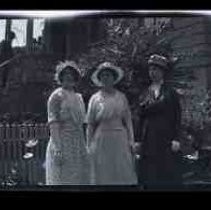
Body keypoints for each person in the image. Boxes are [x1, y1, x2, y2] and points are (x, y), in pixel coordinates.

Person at [135, 54, 182, 189]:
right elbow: (140, 117)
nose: (153, 73)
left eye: (156, 69)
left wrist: (176, 138)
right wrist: (138, 140)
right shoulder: (145, 92)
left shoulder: (170, 92)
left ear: (163, 72)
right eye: (151, 69)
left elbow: (177, 116)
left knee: (166, 174)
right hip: (148, 138)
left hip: (166, 138)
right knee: (150, 174)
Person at [86, 62, 137, 185]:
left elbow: (128, 121)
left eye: (108, 75)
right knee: (103, 170)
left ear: (114, 78)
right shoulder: (95, 98)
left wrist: (131, 141)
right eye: (102, 75)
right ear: (99, 79)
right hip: (101, 138)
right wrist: (89, 145)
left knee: (121, 168)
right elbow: (90, 124)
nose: (105, 78)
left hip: (119, 138)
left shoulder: (121, 97)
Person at [45, 60, 90, 185]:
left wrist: (84, 145)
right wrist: (57, 148)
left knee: (79, 178)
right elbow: (53, 122)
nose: (68, 76)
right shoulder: (56, 96)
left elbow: (82, 124)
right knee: (62, 178)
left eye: (71, 74)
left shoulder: (79, 98)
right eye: (65, 74)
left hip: (78, 143)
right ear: (61, 77)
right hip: (62, 141)